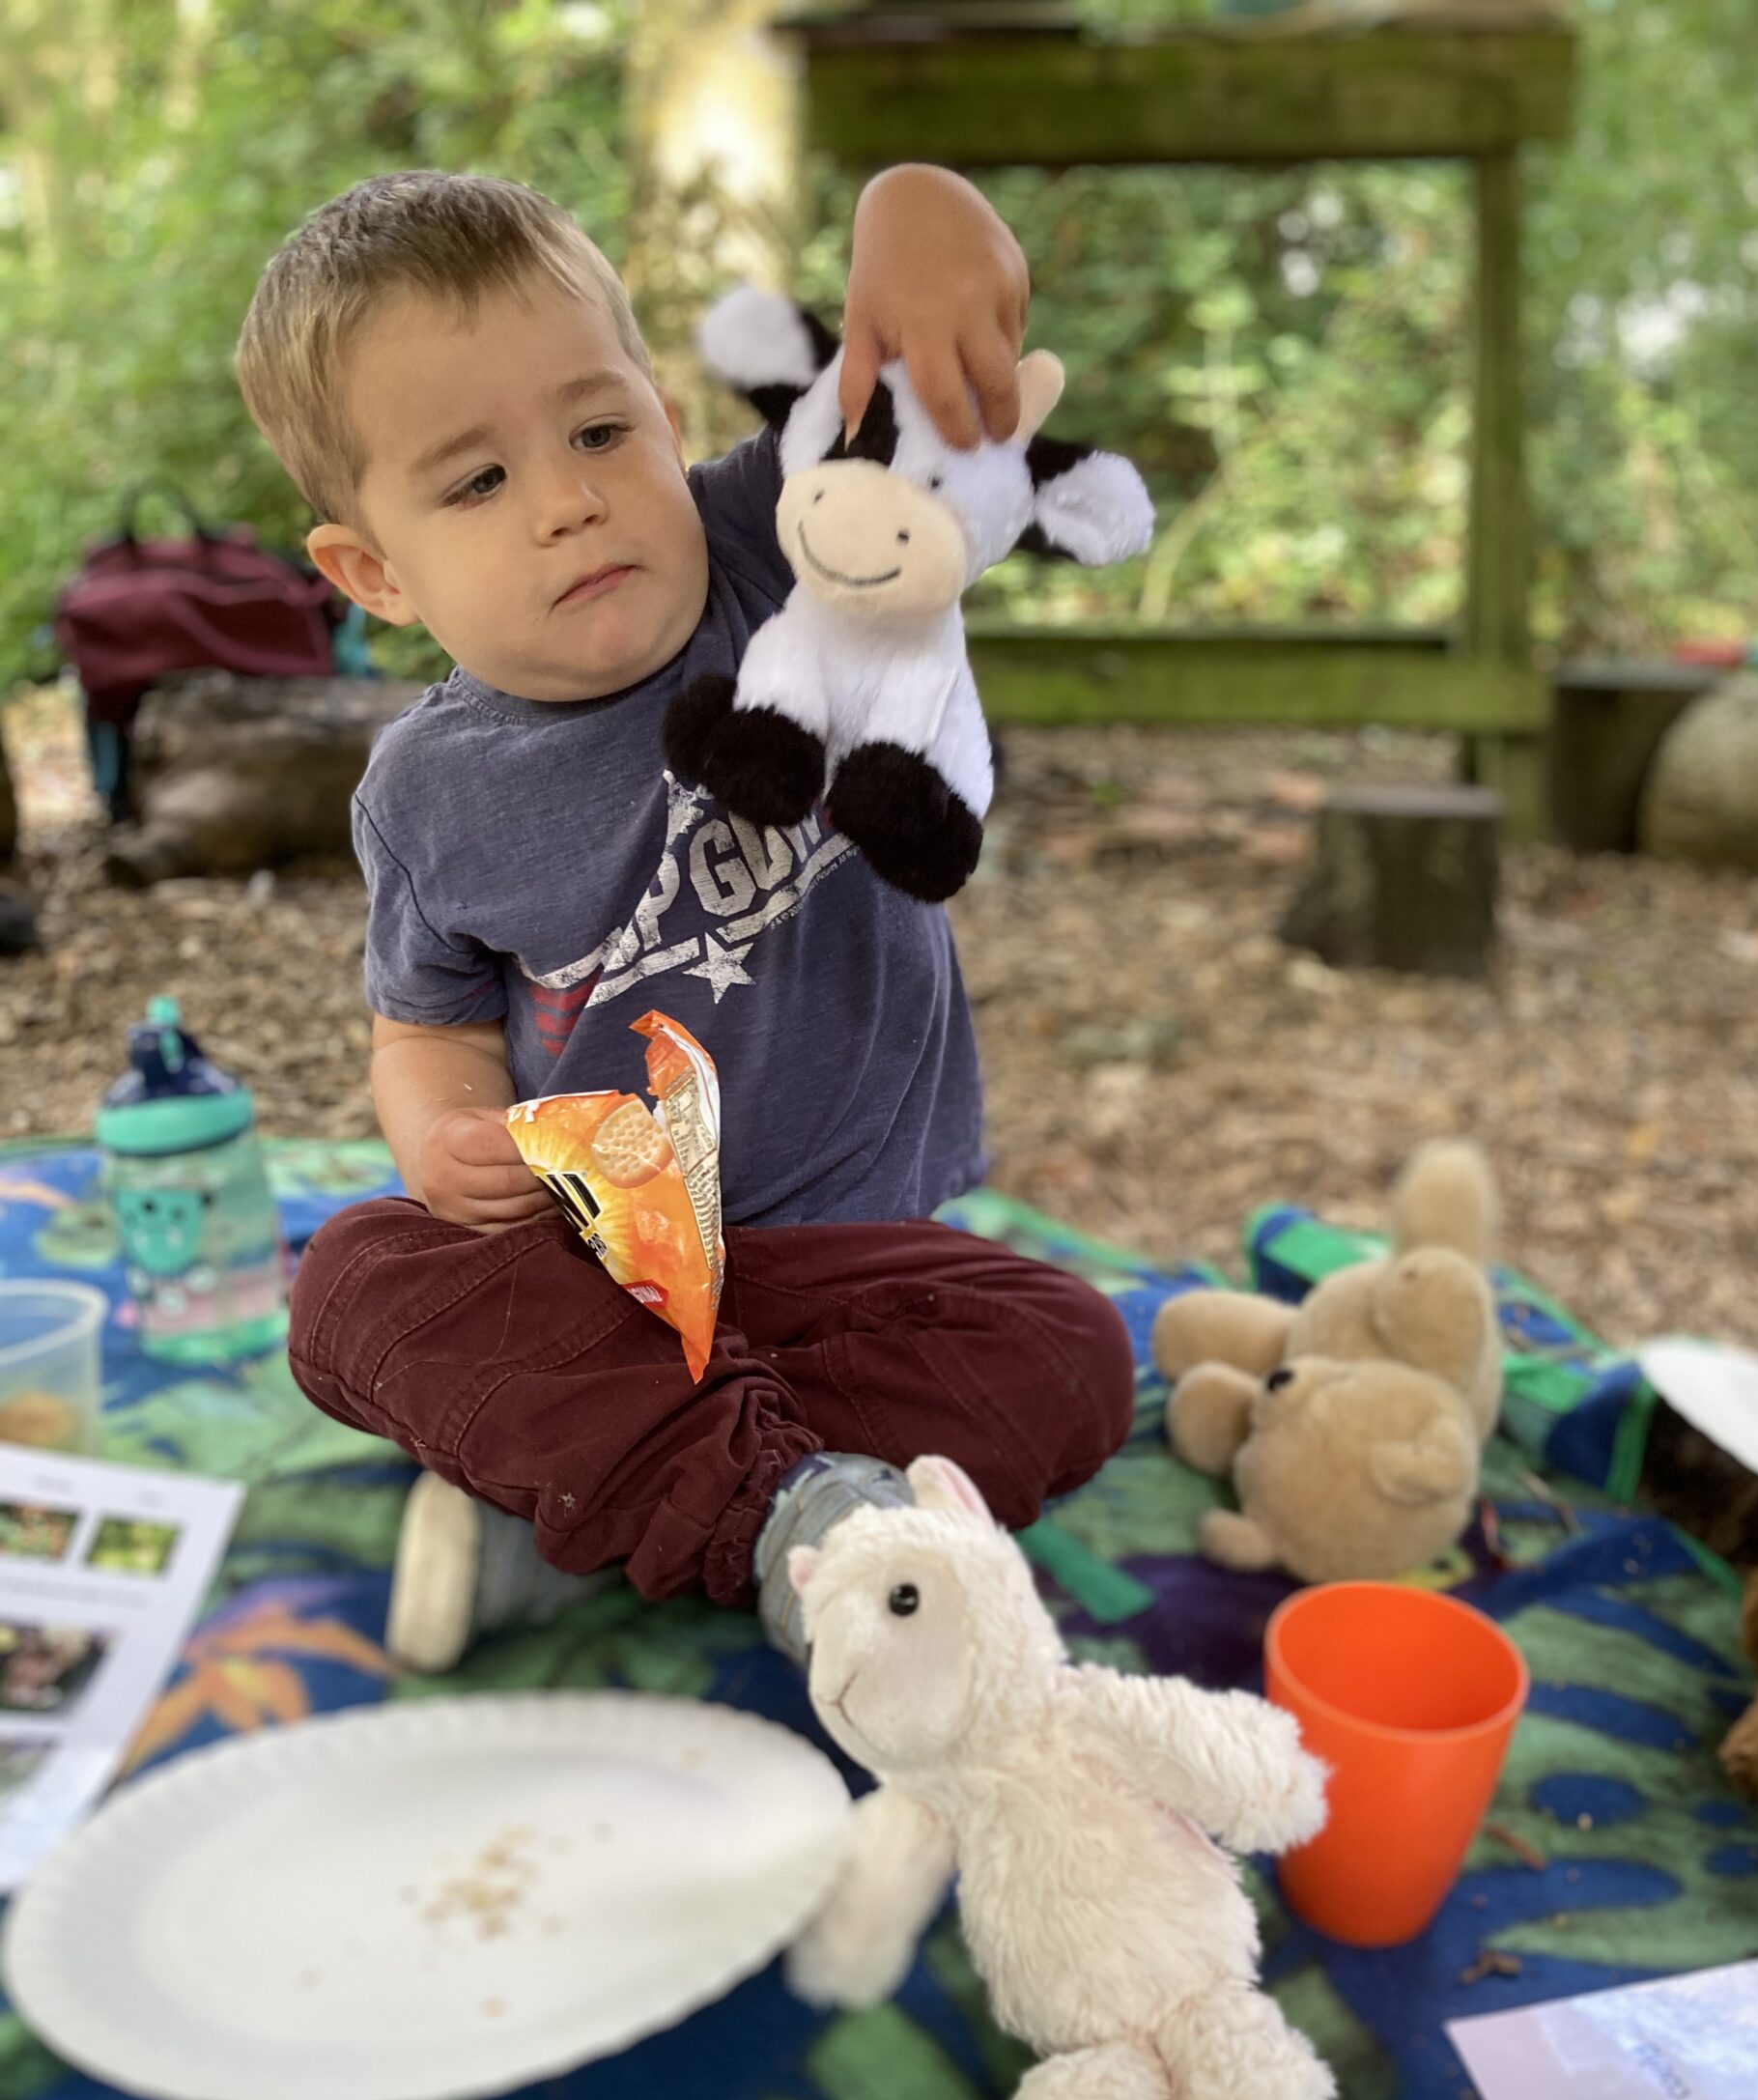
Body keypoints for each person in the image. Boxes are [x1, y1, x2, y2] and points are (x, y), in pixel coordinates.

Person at [236, 166, 1135, 1672]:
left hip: (849, 1270)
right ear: (373, 571)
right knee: (349, 1288)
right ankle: (788, 1515)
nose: (568, 499)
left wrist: (918, 213)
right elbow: (423, 1030)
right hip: (605, 1275)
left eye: (599, 432)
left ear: (662, 416)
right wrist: (441, 1134)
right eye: (478, 482)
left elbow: (914, 378)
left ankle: (608, 1511)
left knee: (1073, 1355)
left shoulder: (780, 541)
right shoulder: (427, 795)